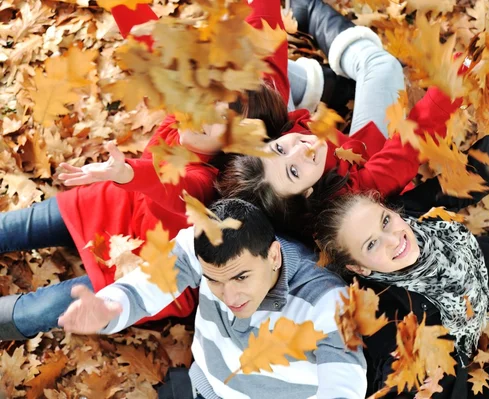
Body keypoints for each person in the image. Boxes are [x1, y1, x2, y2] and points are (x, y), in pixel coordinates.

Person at [312, 55, 489, 398]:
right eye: (372, 245)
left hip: (475, 282)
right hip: (454, 378)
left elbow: (467, 178)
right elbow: (387, 381)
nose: (394, 239)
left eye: (386, 221)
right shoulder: (386, 317)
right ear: (358, 267)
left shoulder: (410, 215)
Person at [0, 0, 290, 340]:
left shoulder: (211, 184)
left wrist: (127, 174)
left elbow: (176, 187)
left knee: (45, 308)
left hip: (143, 263)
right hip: (108, 205)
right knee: (18, 226)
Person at [215, 3, 489, 236]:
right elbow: (419, 131)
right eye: (293, 171)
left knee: (266, 76)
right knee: (383, 68)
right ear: (306, 194)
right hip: (369, 152)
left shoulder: (277, 135)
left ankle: (321, 73)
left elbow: (260, 48)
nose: (299, 150)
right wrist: (481, 51)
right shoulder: (359, 196)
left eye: (279, 149)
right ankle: (328, 77)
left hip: (347, 144)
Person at [57, 198, 368, 399]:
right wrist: (112, 309)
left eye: (241, 277)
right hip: (202, 386)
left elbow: (343, 382)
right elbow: (148, 284)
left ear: (273, 256)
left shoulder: (327, 300)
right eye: (213, 281)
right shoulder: (200, 246)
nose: (229, 296)